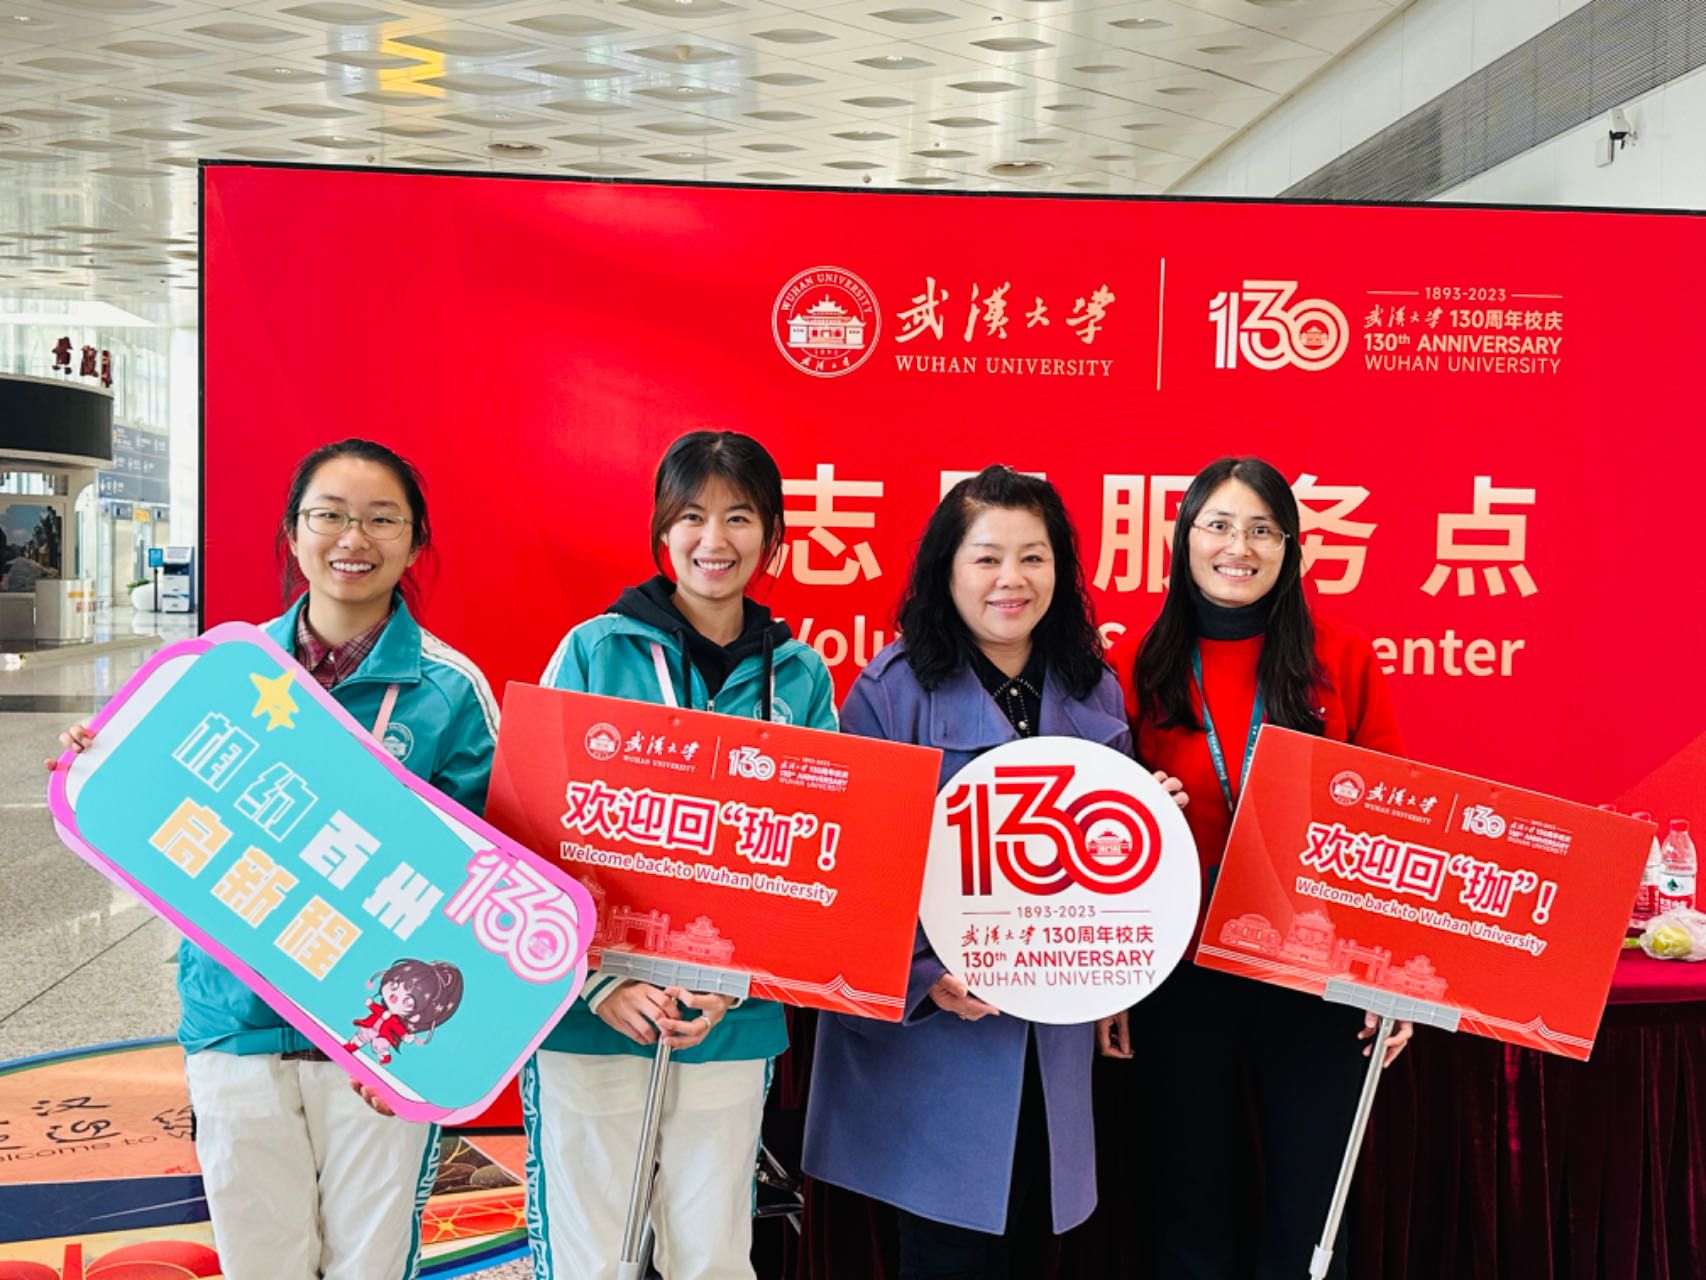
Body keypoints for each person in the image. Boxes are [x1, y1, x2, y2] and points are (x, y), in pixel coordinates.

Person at [49, 437, 499, 1280]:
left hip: (375, 1043)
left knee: (371, 1265)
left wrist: (422, 1048)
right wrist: (99, 764)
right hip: (235, 1021)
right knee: (259, 1262)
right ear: (294, 533)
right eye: (329, 516)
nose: (352, 539)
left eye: (381, 520)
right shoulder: (220, 673)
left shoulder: (450, 694)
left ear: (415, 542)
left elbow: (482, 889)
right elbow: (155, 820)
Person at [803, 465, 1183, 1280]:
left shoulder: (1092, 687)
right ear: (946, 571)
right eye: (986, 558)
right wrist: (926, 975)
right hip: (937, 1040)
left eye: (1033, 557)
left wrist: (1149, 820)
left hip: (1052, 1035)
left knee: (1035, 1242)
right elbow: (852, 867)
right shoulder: (890, 692)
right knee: (947, 1252)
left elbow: (1110, 871)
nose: (1012, 579)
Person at [525, 429, 838, 1280]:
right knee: (591, 1257)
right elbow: (534, 831)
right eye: (692, 515)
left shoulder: (800, 676)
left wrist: (731, 984)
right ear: (663, 530)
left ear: (772, 535)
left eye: (739, 517)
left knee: (713, 1256)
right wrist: (599, 984)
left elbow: (818, 857)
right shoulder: (595, 651)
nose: (714, 539)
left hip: (729, 1018)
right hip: (592, 1014)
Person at [1102, 454, 1411, 1280]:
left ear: (1290, 547)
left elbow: (1391, 824)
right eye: (1219, 526)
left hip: (1312, 967)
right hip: (1179, 968)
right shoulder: (1139, 662)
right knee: (1188, 1201)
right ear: (1184, 539)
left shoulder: (1341, 657)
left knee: (1313, 1211)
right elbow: (1101, 837)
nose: (1238, 548)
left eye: (1262, 530)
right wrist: (1114, 980)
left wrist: (1393, 979)